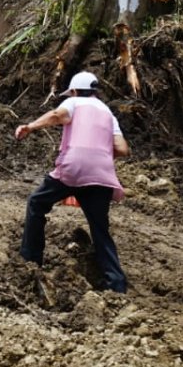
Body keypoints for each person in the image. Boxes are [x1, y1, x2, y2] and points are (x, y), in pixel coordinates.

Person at [14, 71, 131, 293]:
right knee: (100, 229)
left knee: (37, 203)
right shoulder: (108, 113)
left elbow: (57, 116)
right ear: (94, 92)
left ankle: (30, 260)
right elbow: (122, 149)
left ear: (75, 91)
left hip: (73, 168)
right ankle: (116, 285)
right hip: (102, 175)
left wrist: (30, 127)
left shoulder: (74, 102)